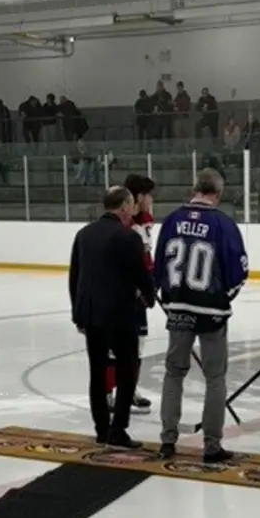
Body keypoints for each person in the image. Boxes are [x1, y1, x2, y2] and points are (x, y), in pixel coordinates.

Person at [153, 168, 248, 463]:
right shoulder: (224, 224)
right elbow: (239, 273)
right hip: (211, 312)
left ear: (194, 189)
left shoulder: (172, 220)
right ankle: (212, 445)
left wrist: (170, 300)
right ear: (218, 193)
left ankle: (168, 441)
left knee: (174, 373)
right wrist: (222, 299)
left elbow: (159, 266)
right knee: (215, 377)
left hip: (179, 308)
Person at [69, 186, 155, 447]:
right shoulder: (128, 237)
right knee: (127, 371)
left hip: (91, 314)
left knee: (97, 371)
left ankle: (101, 429)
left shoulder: (84, 234)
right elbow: (140, 274)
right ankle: (118, 429)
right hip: (119, 315)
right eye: (131, 205)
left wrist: (78, 313)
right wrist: (149, 297)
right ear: (125, 206)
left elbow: (75, 277)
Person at [104, 174, 156, 413]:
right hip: (121, 296)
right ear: (140, 196)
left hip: (139, 297)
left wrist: (150, 284)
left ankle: (129, 389)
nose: (151, 200)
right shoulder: (122, 225)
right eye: (149, 195)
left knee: (139, 344)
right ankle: (107, 393)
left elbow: (146, 258)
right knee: (114, 347)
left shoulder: (145, 222)